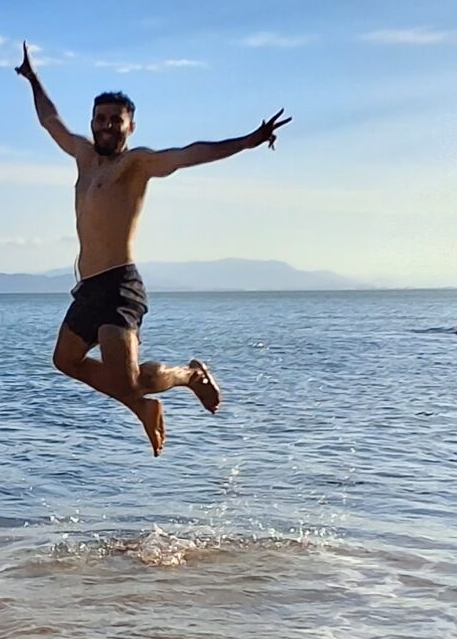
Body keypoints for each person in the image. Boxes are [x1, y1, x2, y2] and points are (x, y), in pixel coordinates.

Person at [15, 42, 287, 455]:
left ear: (131, 127)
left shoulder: (136, 165)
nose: (106, 126)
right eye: (100, 119)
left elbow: (189, 154)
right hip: (88, 287)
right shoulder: (84, 157)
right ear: (92, 122)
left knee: (130, 379)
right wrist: (34, 80)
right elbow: (50, 120)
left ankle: (189, 376)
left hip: (120, 285)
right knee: (65, 360)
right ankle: (142, 408)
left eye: (116, 120)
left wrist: (247, 141)